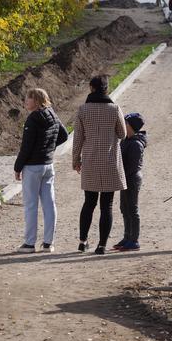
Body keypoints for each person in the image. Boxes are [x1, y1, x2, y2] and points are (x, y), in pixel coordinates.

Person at [73, 75, 127, 255]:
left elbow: (78, 138)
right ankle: (102, 245)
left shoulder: (83, 110)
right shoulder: (114, 109)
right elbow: (122, 134)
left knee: (89, 202)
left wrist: (76, 160)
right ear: (106, 88)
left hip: (89, 161)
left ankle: (82, 241)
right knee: (107, 205)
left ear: (91, 88)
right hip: (110, 161)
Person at [14, 88, 68, 253]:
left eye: (28, 99)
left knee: (31, 205)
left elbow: (26, 147)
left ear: (36, 101)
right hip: (48, 165)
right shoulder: (52, 114)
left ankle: (29, 243)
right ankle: (48, 243)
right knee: (49, 204)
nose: (25, 102)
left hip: (32, 167)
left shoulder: (32, 119)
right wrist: (48, 148)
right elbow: (64, 135)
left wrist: (17, 167)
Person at [114, 113, 147, 252]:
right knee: (124, 208)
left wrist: (120, 175)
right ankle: (127, 237)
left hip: (132, 179)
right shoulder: (126, 140)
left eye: (125, 123)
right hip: (125, 178)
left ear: (131, 126)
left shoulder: (135, 144)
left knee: (132, 209)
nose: (123, 125)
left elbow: (131, 166)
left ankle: (134, 240)